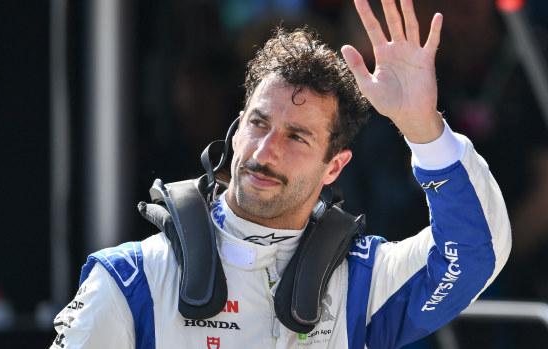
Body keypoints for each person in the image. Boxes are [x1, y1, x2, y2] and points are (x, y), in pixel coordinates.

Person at [50, 0, 511, 347]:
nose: (266, 151)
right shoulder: (128, 280)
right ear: (234, 133)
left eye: (297, 137)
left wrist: (423, 129)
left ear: (334, 167)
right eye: (258, 123)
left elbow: (478, 253)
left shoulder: (365, 283)